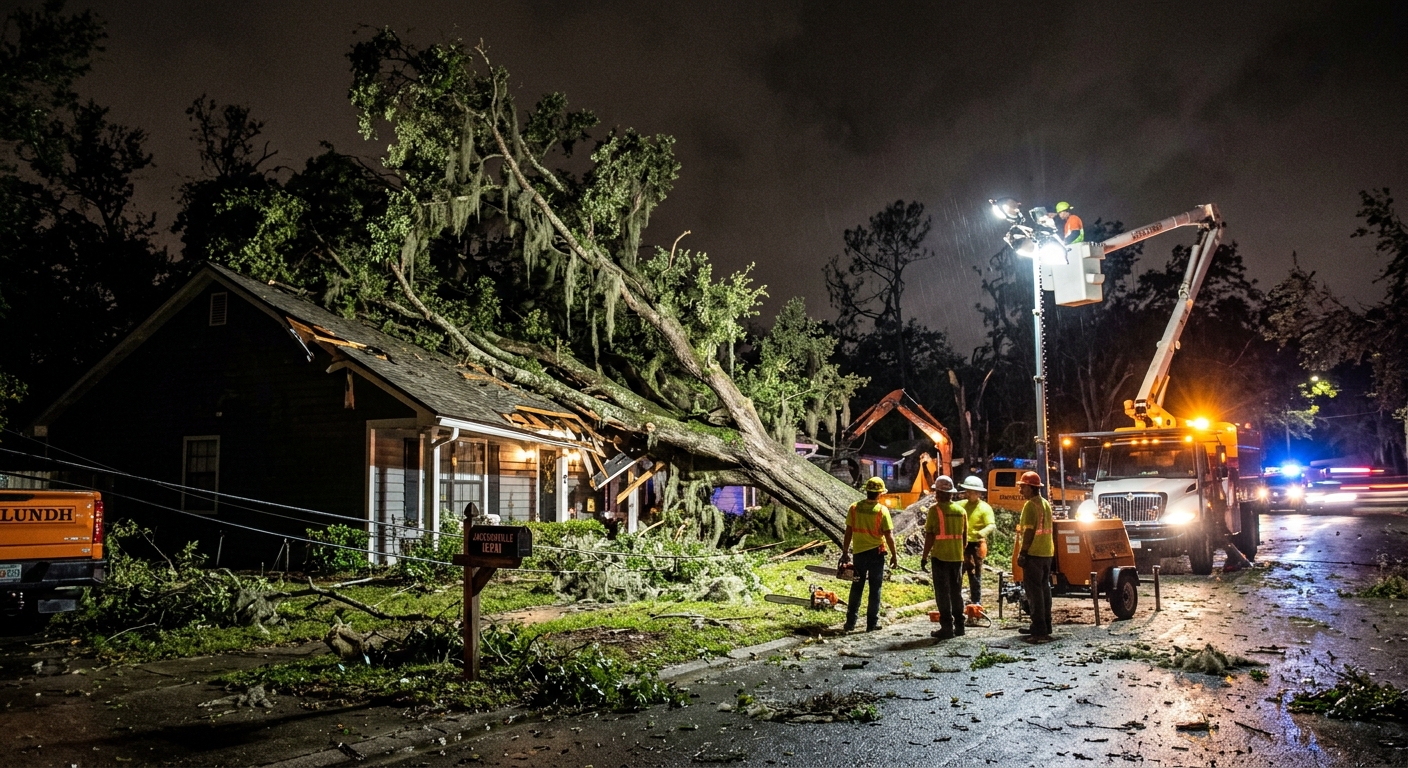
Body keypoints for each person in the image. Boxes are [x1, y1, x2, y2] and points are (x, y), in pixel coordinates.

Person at [839, 477, 899, 632]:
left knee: (857, 586)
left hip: (859, 553)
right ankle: (871, 624)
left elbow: (848, 532)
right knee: (875, 588)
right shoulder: (882, 511)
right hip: (876, 554)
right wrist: (894, 554)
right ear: (879, 493)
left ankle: (850, 623)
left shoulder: (854, 508)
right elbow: (889, 536)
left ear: (867, 491)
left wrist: (845, 552)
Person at [920, 475, 967, 639]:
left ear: (938, 493)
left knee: (942, 594)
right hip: (957, 557)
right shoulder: (961, 511)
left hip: (940, 558)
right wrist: (959, 552)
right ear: (951, 493)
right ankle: (960, 626)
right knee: (956, 592)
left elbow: (930, 537)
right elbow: (965, 538)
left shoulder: (934, 510)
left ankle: (947, 628)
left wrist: (924, 556)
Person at [1015, 471, 1055, 644]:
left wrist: (1023, 553)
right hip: (1047, 553)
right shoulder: (1045, 503)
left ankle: (1039, 631)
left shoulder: (1030, 505)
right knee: (1044, 589)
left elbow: (1029, 531)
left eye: (1023, 487)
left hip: (1034, 554)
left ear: (1031, 488)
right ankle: (1045, 625)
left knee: (1034, 593)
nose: (1020, 491)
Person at [959, 475, 996, 606]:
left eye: (970, 492)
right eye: (966, 491)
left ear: (978, 493)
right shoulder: (961, 505)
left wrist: (981, 533)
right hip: (961, 544)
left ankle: (976, 601)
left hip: (976, 545)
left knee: (974, 574)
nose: (967, 494)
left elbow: (991, 525)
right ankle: (956, 600)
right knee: (958, 572)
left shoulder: (985, 508)